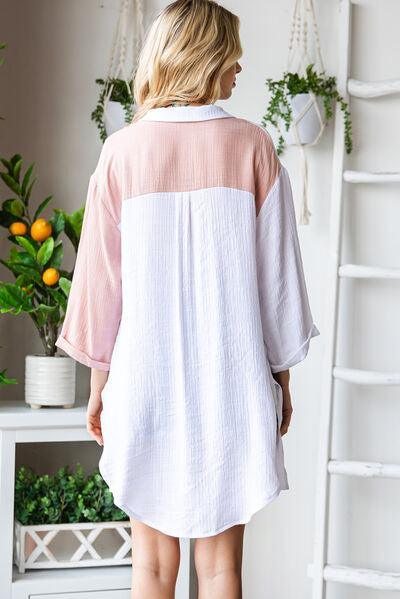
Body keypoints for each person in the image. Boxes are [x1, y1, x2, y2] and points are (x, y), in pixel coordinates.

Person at [56, 0, 320, 597]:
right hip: (231, 384)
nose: (241, 66)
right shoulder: (254, 148)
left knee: (149, 568)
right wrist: (279, 379)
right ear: (204, 57)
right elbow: (276, 281)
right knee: (223, 570)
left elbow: (102, 286)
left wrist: (100, 388)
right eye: (232, 53)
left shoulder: (121, 152)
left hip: (143, 385)